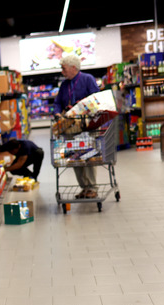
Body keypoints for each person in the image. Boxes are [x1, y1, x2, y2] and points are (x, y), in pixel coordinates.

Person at [54, 53, 101, 198]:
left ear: (73, 68)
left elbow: (96, 100)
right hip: (70, 127)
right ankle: (84, 187)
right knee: (75, 158)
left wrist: (80, 107)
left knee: (89, 155)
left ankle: (92, 187)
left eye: (64, 69)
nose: (62, 72)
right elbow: (57, 103)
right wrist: (57, 113)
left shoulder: (87, 79)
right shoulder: (64, 85)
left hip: (86, 125)